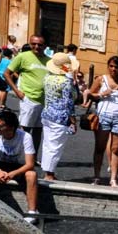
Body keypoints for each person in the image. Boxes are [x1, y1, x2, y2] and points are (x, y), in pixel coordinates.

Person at [87, 56, 118, 186]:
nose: (113, 69)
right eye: (111, 66)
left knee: (116, 149)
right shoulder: (101, 79)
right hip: (103, 116)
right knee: (100, 147)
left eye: (116, 67)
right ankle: (97, 176)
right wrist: (102, 94)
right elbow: (90, 94)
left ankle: (113, 178)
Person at [36, 51, 79, 182]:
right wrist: (73, 120)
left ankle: (47, 171)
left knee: (48, 144)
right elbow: (69, 102)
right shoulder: (66, 82)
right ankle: (49, 174)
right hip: (60, 117)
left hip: (47, 114)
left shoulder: (47, 77)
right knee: (56, 146)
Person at [5, 33, 51, 152]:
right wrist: (16, 91)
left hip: (44, 101)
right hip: (28, 98)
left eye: (39, 44)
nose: (36, 47)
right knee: (25, 129)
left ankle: (33, 156)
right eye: (33, 44)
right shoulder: (23, 56)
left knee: (38, 130)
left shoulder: (49, 61)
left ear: (45, 46)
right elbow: (6, 74)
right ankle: (17, 152)